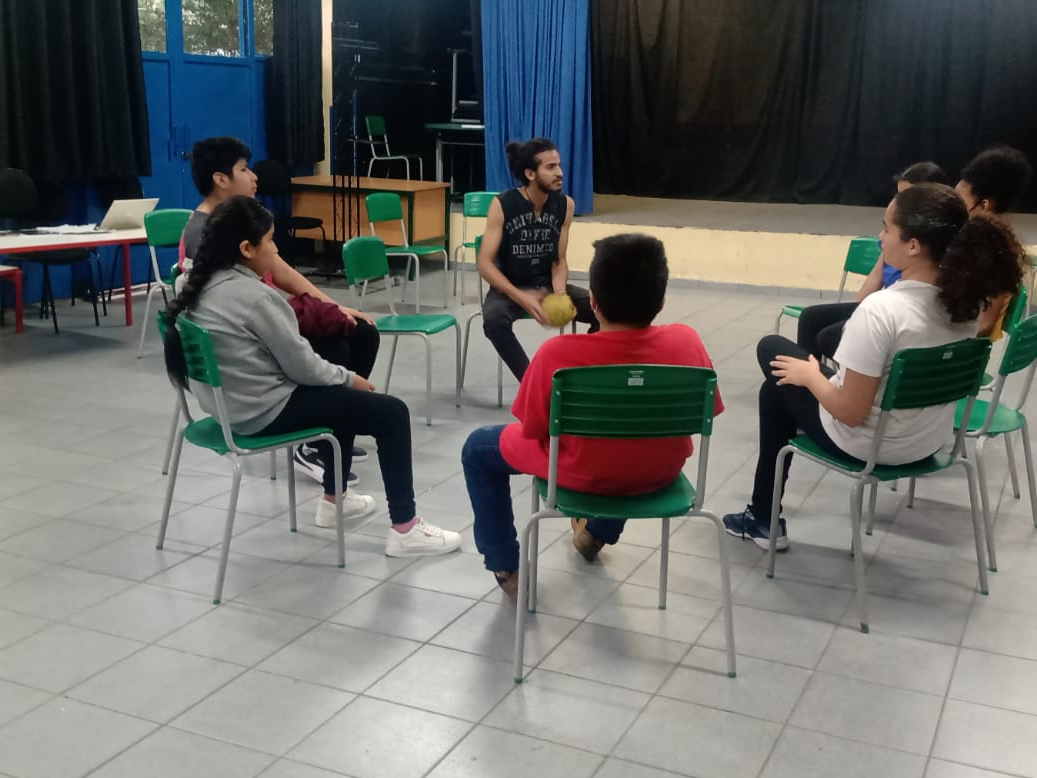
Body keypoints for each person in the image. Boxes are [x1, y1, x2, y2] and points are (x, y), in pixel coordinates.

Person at [724, 183, 1025, 549]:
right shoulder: (966, 304)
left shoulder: (881, 311)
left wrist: (812, 376)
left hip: (871, 445)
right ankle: (762, 515)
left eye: (885, 228)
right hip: (928, 440)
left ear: (913, 245)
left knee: (775, 370)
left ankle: (762, 519)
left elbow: (850, 412)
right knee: (804, 356)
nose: (880, 237)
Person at [163, 195, 461, 558]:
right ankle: (406, 530)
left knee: (341, 394)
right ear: (246, 248)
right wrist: (350, 378)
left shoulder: (192, 283)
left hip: (227, 407)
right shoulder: (255, 297)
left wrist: (342, 379)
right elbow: (301, 366)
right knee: (390, 411)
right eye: (270, 242)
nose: (275, 249)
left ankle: (337, 500)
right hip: (261, 412)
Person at [461, 233, 723, 598]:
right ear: (661, 301)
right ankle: (596, 534)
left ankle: (507, 568)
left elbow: (534, 429)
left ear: (593, 303)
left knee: (477, 449)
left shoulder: (557, 356)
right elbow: (707, 413)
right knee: (632, 440)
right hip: (660, 472)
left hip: (584, 473)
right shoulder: (687, 342)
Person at [180, 136, 380, 479]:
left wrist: (335, 306)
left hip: (267, 317)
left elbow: (280, 270)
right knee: (337, 346)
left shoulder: (241, 218)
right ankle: (315, 439)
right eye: (244, 169)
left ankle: (332, 426)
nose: (254, 176)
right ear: (220, 179)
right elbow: (234, 308)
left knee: (359, 329)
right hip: (250, 339)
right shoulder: (208, 231)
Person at [795, 162, 947, 361]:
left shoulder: (935, 245)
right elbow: (875, 277)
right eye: (898, 195)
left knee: (826, 338)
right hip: (883, 306)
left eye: (907, 196)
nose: (899, 201)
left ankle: (823, 381)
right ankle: (810, 382)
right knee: (810, 318)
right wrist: (859, 314)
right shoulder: (897, 237)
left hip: (900, 314)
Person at [477, 138, 600, 382]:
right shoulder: (503, 204)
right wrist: (519, 295)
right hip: (509, 288)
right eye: (551, 167)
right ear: (530, 173)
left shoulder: (565, 205)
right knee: (493, 322)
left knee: (605, 310)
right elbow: (485, 264)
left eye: (559, 165)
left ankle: (583, 376)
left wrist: (561, 292)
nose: (560, 173)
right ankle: (533, 383)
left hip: (547, 285)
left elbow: (559, 260)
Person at [953, 145, 1032, 338]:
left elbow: (985, 325)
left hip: (960, 354)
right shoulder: (974, 242)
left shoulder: (997, 253)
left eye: (959, 203)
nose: (953, 209)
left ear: (984, 206)